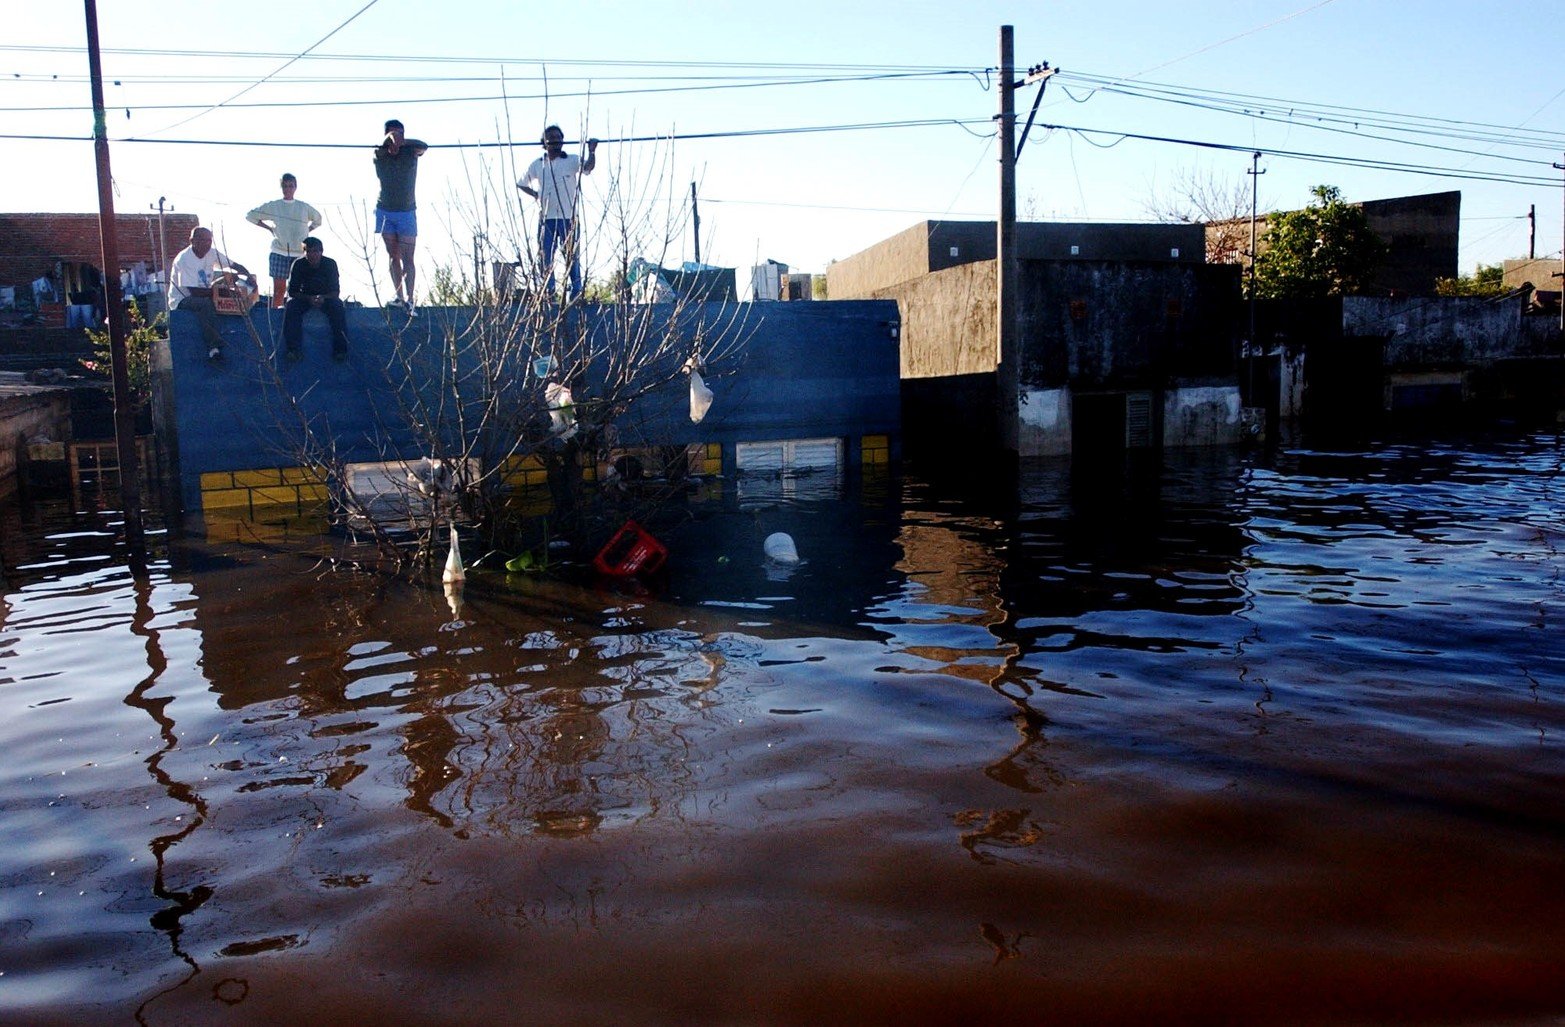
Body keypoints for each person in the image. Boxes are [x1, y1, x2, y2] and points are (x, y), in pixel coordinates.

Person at [518, 125, 598, 301]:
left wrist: (591, 151)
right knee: (545, 257)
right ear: (544, 143)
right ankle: (549, 292)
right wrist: (536, 195)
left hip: (568, 218)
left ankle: (576, 293)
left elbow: (588, 168)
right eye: (551, 138)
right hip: (546, 218)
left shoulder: (571, 160)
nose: (555, 142)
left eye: (558, 138)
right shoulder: (538, 164)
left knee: (572, 258)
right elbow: (521, 183)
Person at [167, 226, 252, 361]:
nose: (207, 244)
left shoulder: (212, 253)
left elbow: (233, 264)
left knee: (232, 284)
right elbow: (194, 292)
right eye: (202, 240)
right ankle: (214, 347)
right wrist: (224, 292)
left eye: (209, 240)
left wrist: (248, 276)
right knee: (205, 304)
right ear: (192, 241)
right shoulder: (184, 259)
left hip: (206, 291)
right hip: (183, 299)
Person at [373, 118, 427, 315]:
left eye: (400, 134)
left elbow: (423, 146)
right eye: (393, 134)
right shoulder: (380, 153)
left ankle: (411, 299)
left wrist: (401, 141)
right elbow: (380, 149)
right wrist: (390, 140)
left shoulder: (411, 152)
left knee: (408, 258)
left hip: (407, 212)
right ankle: (399, 296)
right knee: (392, 255)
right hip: (385, 210)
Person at [246, 173, 323, 309]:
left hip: (300, 253)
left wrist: (307, 231)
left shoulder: (303, 207)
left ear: (295, 187)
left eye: (291, 186)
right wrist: (269, 228)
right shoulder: (274, 206)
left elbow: (318, 219)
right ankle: (277, 315)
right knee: (279, 291)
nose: (288, 189)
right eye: (285, 186)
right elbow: (251, 216)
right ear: (281, 187)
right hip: (280, 251)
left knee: (300, 290)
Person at [282, 237, 350, 361]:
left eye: (315, 251)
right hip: (304, 298)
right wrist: (309, 298)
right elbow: (292, 291)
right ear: (304, 252)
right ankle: (293, 350)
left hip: (327, 298)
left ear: (321, 251)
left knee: (338, 306)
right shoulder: (298, 264)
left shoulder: (330, 264)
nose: (312, 255)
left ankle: (341, 351)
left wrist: (323, 297)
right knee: (291, 307)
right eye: (309, 252)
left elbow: (336, 291)